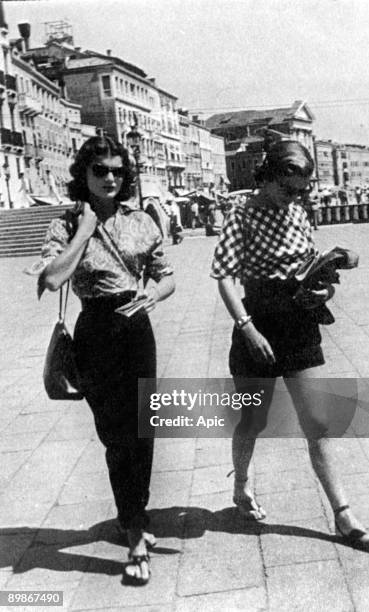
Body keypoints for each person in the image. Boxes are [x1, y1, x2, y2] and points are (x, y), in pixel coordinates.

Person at [211, 139, 369, 552]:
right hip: (259, 323)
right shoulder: (242, 215)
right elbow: (225, 277)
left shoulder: (300, 213)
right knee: (253, 420)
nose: (296, 197)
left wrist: (323, 290)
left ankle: (344, 515)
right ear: (268, 176)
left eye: (302, 190)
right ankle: (241, 487)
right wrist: (248, 329)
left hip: (299, 324)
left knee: (319, 422)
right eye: (289, 189)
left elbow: (308, 266)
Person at [37, 136, 175, 584]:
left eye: (117, 170)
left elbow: (165, 276)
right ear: (85, 175)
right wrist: (84, 229)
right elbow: (53, 279)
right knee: (117, 437)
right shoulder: (64, 224)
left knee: (143, 430)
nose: (111, 178)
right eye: (101, 171)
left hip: (136, 329)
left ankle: (133, 518)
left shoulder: (141, 222)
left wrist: (152, 294)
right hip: (95, 332)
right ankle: (134, 526)